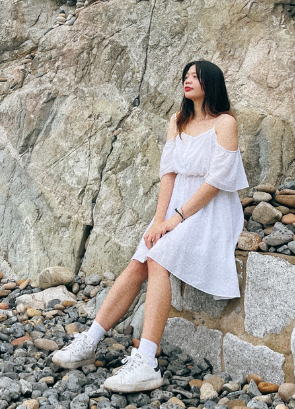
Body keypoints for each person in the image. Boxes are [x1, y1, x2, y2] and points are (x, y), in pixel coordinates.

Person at [50, 60, 247, 394]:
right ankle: (90, 339)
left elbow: (215, 182)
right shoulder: (178, 120)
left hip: (211, 211)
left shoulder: (224, 123)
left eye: (195, 76)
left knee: (159, 256)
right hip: (176, 208)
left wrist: (176, 219)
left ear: (211, 83)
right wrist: (158, 220)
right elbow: (168, 174)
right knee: (140, 258)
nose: (188, 81)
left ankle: (146, 361)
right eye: (185, 76)